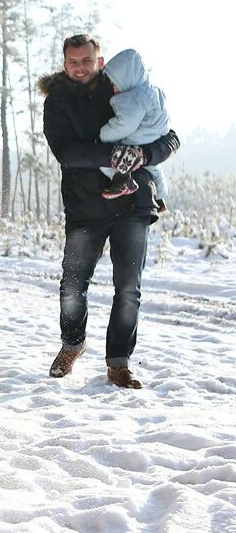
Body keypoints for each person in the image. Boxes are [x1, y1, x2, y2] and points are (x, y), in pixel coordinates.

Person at [39, 35, 180, 390]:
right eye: (74, 62)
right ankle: (72, 343)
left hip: (133, 205)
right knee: (73, 284)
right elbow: (66, 152)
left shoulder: (123, 87)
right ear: (65, 64)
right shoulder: (58, 100)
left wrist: (144, 156)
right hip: (85, 206)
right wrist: (112, 157)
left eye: (87, 60)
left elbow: (170, 137)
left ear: (99, 61)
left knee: (128, 288)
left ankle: (119, 363)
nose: (81, 67)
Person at [96, 49, 171, 208]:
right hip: (154, 134)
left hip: (137, 138)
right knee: (154, 168)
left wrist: (104, 134)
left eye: (115, 84)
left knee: (102, 157)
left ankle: (121, 179)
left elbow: (124, 125)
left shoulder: (134, 99)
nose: (114, 89)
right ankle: (161, 197)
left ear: (126, 79)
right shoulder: (152, 90)